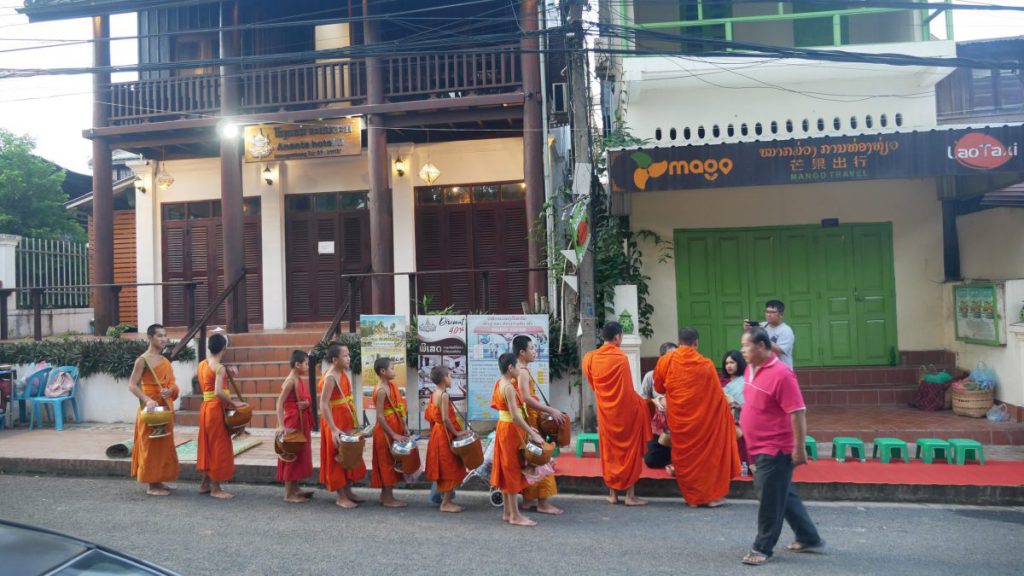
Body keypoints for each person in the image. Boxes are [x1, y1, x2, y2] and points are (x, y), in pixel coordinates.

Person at [740, 327, 824, 566]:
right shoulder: (749, 368)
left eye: (746, 345)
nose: (742, 350)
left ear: (762, 346)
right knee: (782, 493)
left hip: (775, 447)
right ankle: (808, 536)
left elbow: (797, 412)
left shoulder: (782, 374)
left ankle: (762, 547)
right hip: (757, 445)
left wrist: (799, 448)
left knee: (769, 497)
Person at [653, 327, 741, 508]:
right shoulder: (706, 364)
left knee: (685, 457)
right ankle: (709, 497)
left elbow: (659, 387)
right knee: (706, 457)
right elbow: (717, 396)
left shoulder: (666, 360)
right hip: (703, 421)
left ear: (679, 342)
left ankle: (692, 498)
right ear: (696, 343)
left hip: (679, 420)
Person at [582, 322, 651, 506]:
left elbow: (593, 385)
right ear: (617, 337)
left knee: (610, 452)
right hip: (624, 414)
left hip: (606, 413)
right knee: (628, 451)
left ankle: (613, 494)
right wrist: (642, 404)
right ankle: (630, 496)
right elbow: (627, 391)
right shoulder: (621, 358)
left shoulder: (590, 358)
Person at [491, 352, 546, 527]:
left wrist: (528, 428)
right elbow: (515, 416)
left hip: (504, 428)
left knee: (507, 469)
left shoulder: (500, 382)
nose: (520, 369)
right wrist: (532, 432)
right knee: (512, 470)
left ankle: (507, 512)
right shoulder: (508, 387)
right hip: (510, 430)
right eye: (517, 366)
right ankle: (515, 515)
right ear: (510, 368)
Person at [512, 335, 565, 516]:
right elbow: (526, 399)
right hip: (529, 422)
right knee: (541, 458)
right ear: (522, 352)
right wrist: (550, 410)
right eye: (532, 349)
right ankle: (542, 502)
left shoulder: (519, 370)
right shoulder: (522, 372)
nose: (534, 352)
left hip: (526, 421)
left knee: (530, 459)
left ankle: (528, 500)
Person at [127, 324, 180, 497]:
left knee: (163, 443)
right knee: (149, 444)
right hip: (149, 408)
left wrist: (170, 390)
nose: (164, 339)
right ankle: (151, 484)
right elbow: (132, 385)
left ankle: (159, 479)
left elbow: (172, 383)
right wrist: (147, 399)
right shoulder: (142, 360)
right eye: (159, 336)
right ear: (150, 337)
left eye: (165, 335)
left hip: (164, 406)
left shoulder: (165, 361)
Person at [196, 333, 243, 499]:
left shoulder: (202, 364)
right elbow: (218, 392)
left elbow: (209, 384)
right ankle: (215, 488)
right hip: (216, 408)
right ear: (224, 348)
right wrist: (233, 403)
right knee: (218, 447)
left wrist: (227, 370)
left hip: (206, 408)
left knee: (209, 445)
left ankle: (205, 483)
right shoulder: (219, 368)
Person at [318, 343, 366, 509]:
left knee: (349, 453)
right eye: (345, 356)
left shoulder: (342, 372)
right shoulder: (331, 377)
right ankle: (341, 496)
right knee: (337, 455)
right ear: (335, 360)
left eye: (348, 355)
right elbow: (323, 404)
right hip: (335, 421)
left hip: (345, 418)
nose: (349, 358)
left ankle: (348, 490)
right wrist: (333, 429)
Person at [425, 365, 470, 513]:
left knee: (446, 466)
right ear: (444, 379)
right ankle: (445, 503)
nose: (451, 379)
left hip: (437, 433)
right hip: (444, 434)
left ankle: (447, 500)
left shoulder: (435, 393)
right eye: (450, 376)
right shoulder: (443, 395)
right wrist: (457, 433)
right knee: (449, 467)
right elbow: (445, 419)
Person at [275, 350, 314, 503]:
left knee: (299, 453)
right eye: (306, 364)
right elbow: (280, 404)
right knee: (291, 454)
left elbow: (303, 398)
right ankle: (288, 494)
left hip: (300, 420)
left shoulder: (298, 379)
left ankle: (295, 488)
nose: (308, 367)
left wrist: (307, 403)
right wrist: (281, 426)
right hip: (292, 421)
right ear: (297, 364)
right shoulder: (290, 381)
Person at [371, 357, 410, 508]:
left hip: (394, 426)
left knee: (393, 461)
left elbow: (398, 407)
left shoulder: (391, 385)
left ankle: (385, 495)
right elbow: (380, 416)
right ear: (383, 371)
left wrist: (404, 426)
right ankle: (388, 498)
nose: (394, 371)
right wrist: (393, 434)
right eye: (392, 368)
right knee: (387, 463)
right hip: (385, 432)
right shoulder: (381, 390)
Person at [642, 342, 677, 473]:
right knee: (651, 460)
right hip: (659, 428)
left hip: (680, 427)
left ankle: (678, 458)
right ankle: (674, 458)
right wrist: (654, 402)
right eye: (670, 356)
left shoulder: (682, 375)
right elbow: (643, 401)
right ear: (661, 358)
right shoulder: (650, 376)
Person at [744, 300, 795, 369]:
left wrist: (762, 335)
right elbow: (751, 343)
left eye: (772, 312)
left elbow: (779, 351)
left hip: (782, 370)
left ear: (781, 314)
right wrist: (747, 330)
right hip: (765, 369)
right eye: (767, 312)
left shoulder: (786, 330)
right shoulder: (762, 326)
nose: (768, 315)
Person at [722, 349, 751, 470]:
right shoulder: (723, 383)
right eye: (726, 363)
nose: (729, 366)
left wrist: (737, 406)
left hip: (744, 419)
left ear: (739, 363)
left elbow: (751, 404)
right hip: (725, 419)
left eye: (732, 362)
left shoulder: (746, 381)